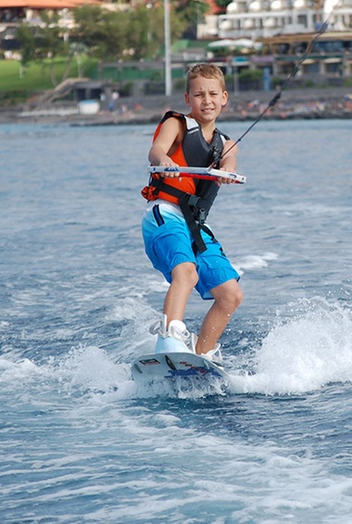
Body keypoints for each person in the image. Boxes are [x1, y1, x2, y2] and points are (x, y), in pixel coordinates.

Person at [140, 63, 243, 365]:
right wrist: (165, 160)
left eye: (213, 94)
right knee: (186, 271)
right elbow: (156, 150)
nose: (206, 100)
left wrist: (227, 172)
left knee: (230, 294)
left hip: (195, 225)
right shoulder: (177, 124)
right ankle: (170, 340)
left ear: (224, 98)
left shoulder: (227, 143)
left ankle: (201, 356)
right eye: (199, 94)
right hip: (164, 214)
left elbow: (230, 161)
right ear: (188, 99)